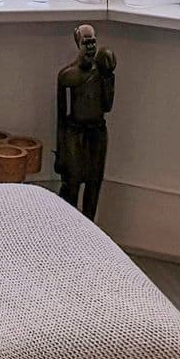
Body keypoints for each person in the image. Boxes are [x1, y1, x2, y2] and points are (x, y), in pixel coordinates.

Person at [55, 23, 116, 220]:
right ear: (78, 44)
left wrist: (108, 79)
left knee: (94, 182)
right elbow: (61, 116)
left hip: (97, 132)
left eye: (93, 43)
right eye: (86, 43)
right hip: (75, 133)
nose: (90, 47)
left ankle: (90, 228)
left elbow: (107, 106)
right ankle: (69, 225)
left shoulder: (102, 73)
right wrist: (61, 151)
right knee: (72, 182)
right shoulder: (67, 76)